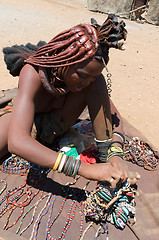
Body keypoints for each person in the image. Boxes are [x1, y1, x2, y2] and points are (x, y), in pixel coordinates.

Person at [0, 14, 140, 188]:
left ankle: (105, 159)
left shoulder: (92, 82)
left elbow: (114, 118)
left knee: (97, 84)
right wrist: (83, 169)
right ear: (67, 61)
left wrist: (115, 155)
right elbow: (17, 141)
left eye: (92, 76)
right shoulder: (33, 73)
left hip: (56, 127)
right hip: (26, 123)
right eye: (81, 76)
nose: (85, 82)